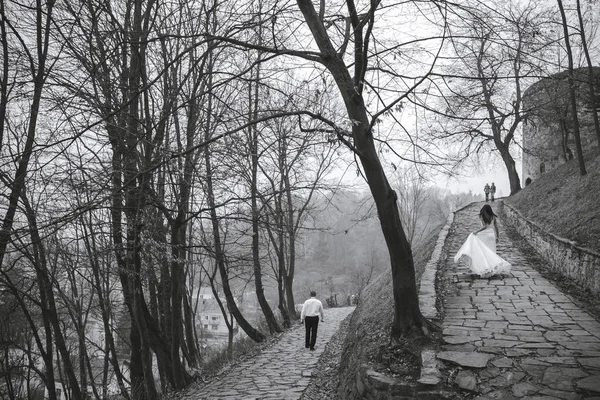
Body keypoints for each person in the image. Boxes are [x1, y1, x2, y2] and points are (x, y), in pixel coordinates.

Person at [453, 204, 511, 278]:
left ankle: (486, 268)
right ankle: (491, 268)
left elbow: (485, 227)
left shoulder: (483, 216)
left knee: (483, 251)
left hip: (485, 235)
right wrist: (497, 237)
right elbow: (496, 227)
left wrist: (477, 232)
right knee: (491, 251)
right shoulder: (493, 217)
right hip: (491, 235)